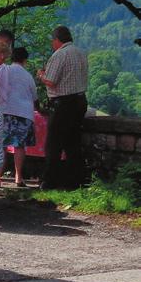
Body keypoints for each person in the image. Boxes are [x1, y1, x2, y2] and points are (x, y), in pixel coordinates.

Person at [37, 26, 88, 189]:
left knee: (54, 143)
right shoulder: (80, 53)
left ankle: (50, 180)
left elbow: (51, 81)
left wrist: (41, 75)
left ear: (57, 40)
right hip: (80, 101)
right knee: (73, 142)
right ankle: (75, 180)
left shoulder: (59, 55)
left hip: (63, 103)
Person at [0, 47, 37, 187]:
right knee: (19, 146)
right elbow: (34, 96)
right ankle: (18, 177)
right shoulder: (28, 76)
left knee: (1, 145)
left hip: (5, 110)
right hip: (23, 112)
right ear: (25, 60)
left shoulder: (4, 70)